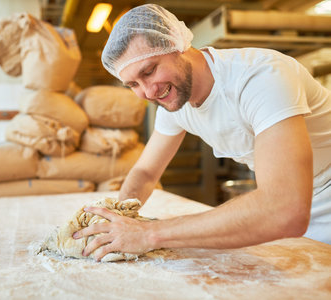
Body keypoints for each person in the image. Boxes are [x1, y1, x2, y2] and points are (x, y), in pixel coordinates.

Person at [73, 3, 331, 260]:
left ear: (178, 45)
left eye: (149, 71)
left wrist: (148, 233)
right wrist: (119, 215)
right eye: (133, 84)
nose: (149, 92)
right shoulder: (173, 103)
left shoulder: (259, 77)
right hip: (294, 208)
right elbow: (145, 172)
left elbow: (284, 209)